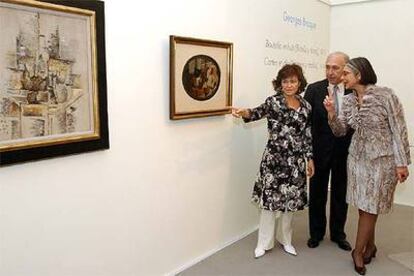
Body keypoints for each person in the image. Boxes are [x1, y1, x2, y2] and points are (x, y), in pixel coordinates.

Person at [324, 57, 411, 275]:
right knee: (364, 207)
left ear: (359, 75)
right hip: (357, 159)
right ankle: (370, 246)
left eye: (346, 74)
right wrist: (332, 113)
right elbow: (340, 130)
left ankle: (358, 251)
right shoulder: (349, 99)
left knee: (371, 207)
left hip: (382, 160)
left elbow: (398, 129)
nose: (342, 78)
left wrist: (401, 163)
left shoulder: (386, 96)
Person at [232, 64, 315, 258]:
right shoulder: (273, 102)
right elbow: (255, 113)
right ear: (279, 83)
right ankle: (264, 243)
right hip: (273, 162)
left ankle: (286, 240)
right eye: (285, 81)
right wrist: (244, 112)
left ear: (299, 82)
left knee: (290, 204)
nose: (288, 85)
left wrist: (309, 158)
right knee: (269, 204)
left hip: (295, 163)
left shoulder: (306, 107)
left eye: (292, 81)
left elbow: (307, 135)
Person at [304, 52, 353, 251]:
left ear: (345, 69)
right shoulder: (314, 89)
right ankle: (316, 233)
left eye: (335, 68)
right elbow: (305, 123)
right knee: (317, 193)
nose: (330, 72)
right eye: (327, 67)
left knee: (341, 194)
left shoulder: (353, 93)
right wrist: (308, 155)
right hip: (319, 151)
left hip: (345, 151)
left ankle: (338, 234)